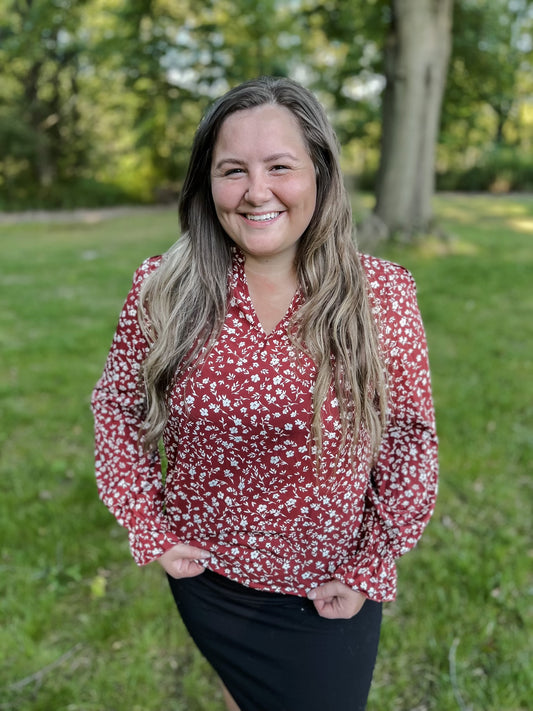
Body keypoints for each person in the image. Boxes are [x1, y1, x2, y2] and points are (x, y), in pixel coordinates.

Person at [91, 76, 438, 711]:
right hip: (210, 579)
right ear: (207, 183)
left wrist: (369, 568)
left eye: (280, 166)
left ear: (320, 175)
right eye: (233, 170)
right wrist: (150, 528)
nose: (256, 192)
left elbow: (410, 437)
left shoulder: (381, 295)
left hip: (330, 588)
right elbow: (117, 404)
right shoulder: (164, 289)